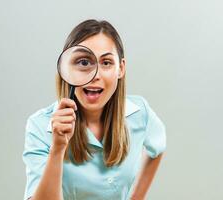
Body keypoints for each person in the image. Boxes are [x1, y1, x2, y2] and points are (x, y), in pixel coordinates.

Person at [22, 19, 166, 200]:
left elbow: (158, 148)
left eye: (106, 63)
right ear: (66, 67)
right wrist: (58, 148)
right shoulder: (41, 125)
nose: (95, 75)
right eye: (83, 62)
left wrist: (137, 197)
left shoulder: (140, 113)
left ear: (121, 69)